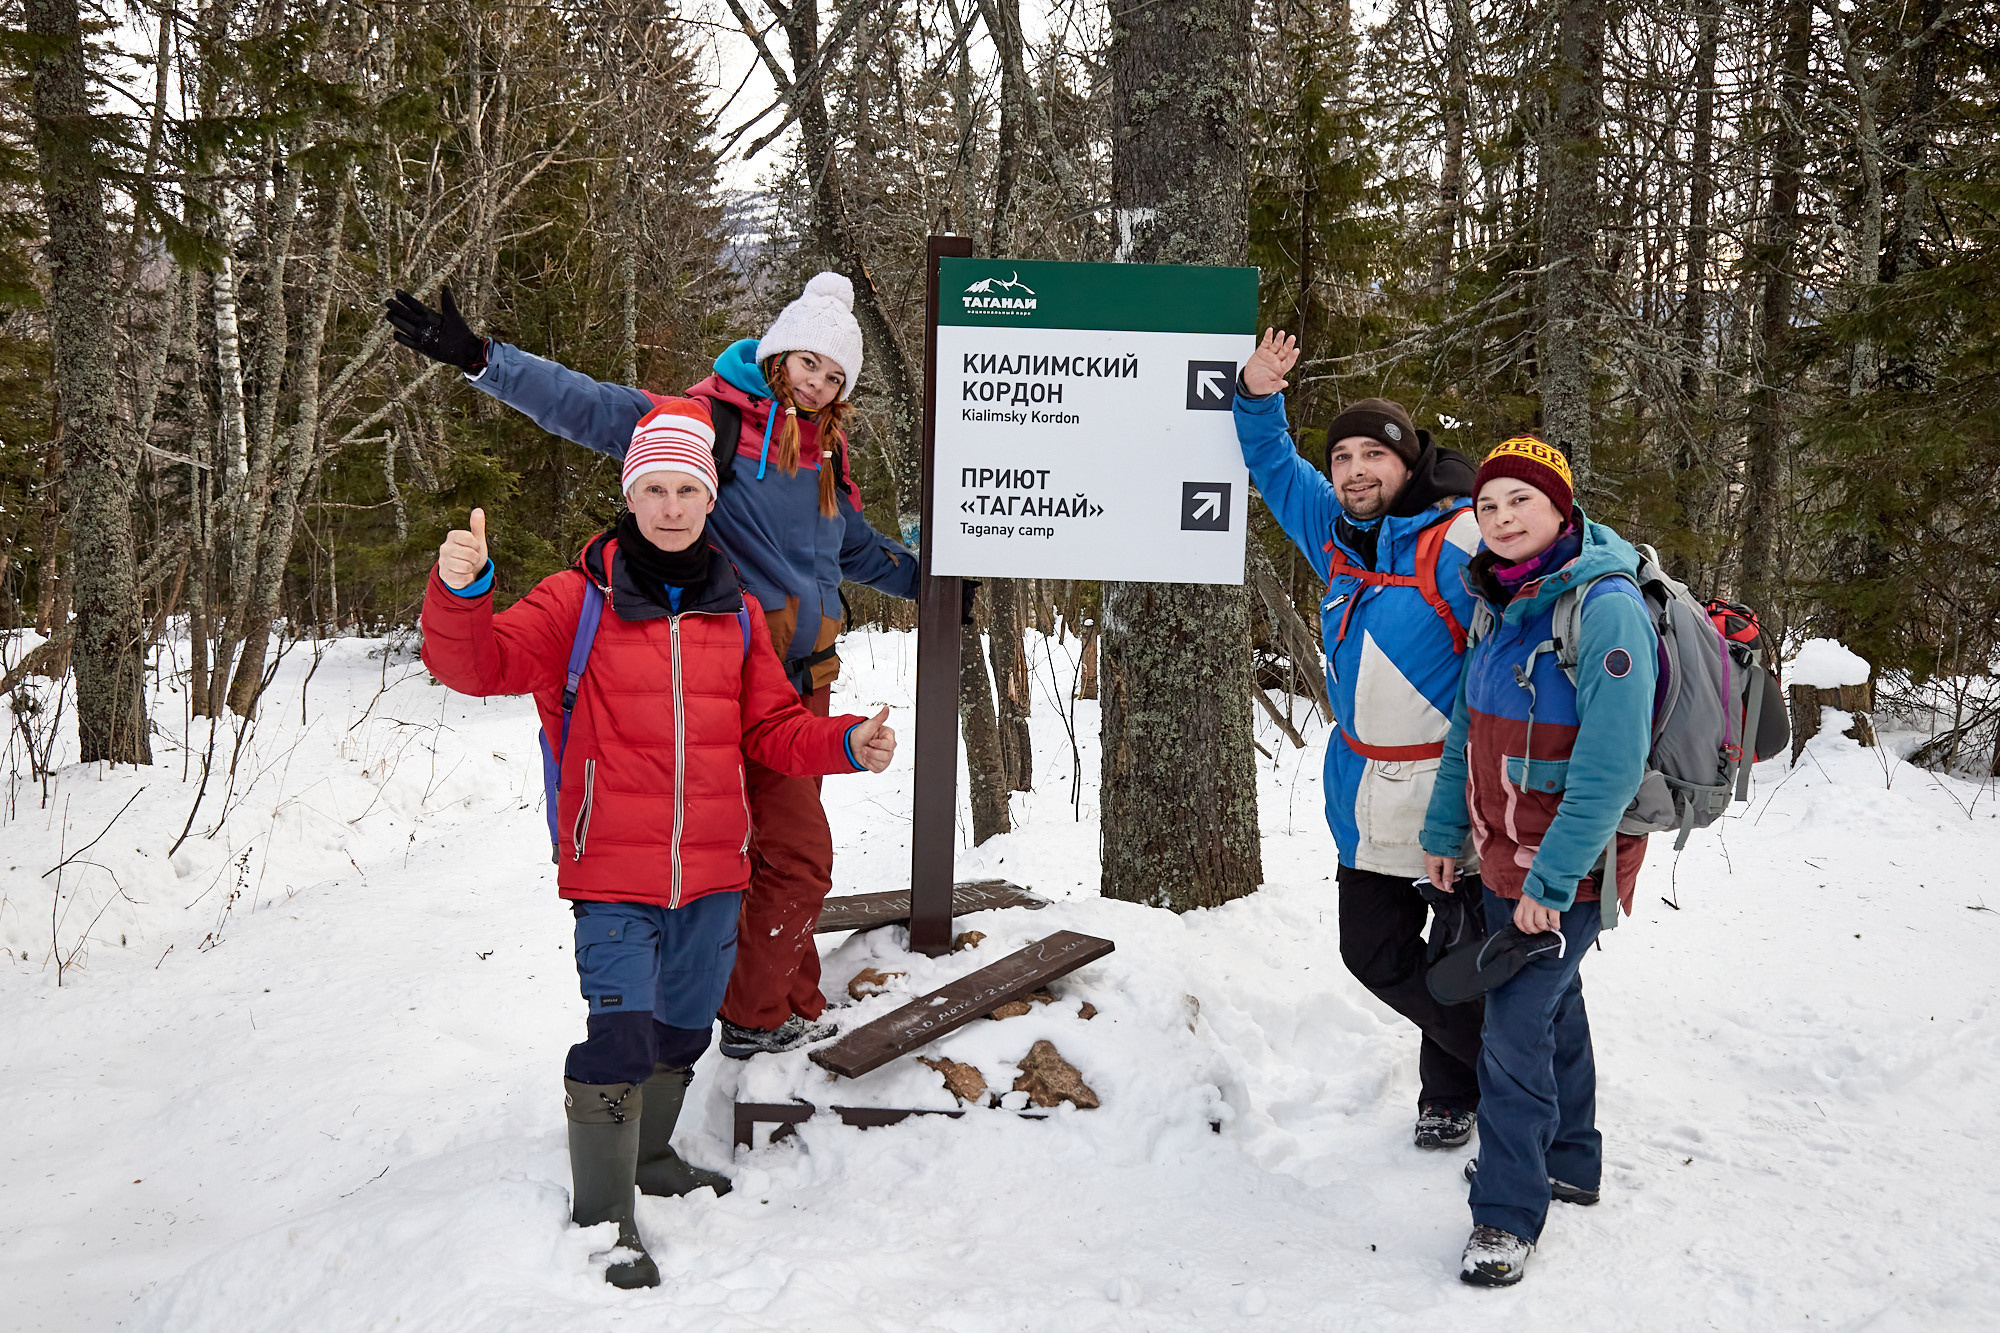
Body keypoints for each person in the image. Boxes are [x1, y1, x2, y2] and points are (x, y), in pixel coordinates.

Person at [420, 401, 897, 1288]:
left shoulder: (738, 612)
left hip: (714, 870)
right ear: (630, 494)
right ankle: (605, 1220)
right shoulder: (578, 601)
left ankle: (650, 1159)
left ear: (708, 499)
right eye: (655, 489)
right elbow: (475, 666)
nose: (672, 506)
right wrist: (463, 590)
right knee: (620, 1035)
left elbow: (770, 728)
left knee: (681, 1030)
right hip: (613, 868)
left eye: (688, 489)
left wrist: (841, 745)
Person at [387, 274, 918, 1059]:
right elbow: (590, 407)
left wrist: (943, 578)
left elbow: (858, 552)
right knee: (796, 855)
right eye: (810, 363)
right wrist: (481, 359)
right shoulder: (707, 421)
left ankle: (780, 995)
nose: (819, 382)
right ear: (778, 354)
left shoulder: (822, 451)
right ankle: (753, 1014)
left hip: (805, 682)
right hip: (726, 677)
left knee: (768, 853)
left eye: (835, 376)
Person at [1236, 329, 1487, 1151]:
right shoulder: (1338, 538)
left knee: (1458, 951)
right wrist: (1259, 393)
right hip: (1364, 787)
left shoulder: (1459, 539)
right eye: (1341, 456)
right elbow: (1274, 467)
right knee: (1375, 950)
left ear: (1407, 464)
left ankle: (1452, 1092)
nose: (1353, 471)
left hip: (1455, 793)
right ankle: (1500, 1062)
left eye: (1371, 456)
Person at [1419, 435, 1658, 1287]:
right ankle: (1572, 1157)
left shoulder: (1604, 607)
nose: (1502, 518)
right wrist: (1449, 832)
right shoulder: (1498, 600)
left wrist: (1550, 885)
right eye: (1487, 505)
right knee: (1550, 1007)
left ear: (1562, 508)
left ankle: (1506, 1215)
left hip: (1566, 870)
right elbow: (1465, 733)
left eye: (1521, 500)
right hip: (1499, 859)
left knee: (1513, 1036)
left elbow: (1611, 764)